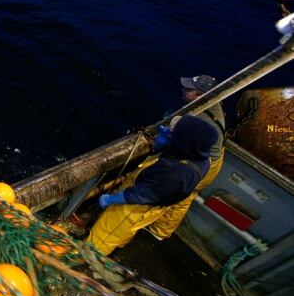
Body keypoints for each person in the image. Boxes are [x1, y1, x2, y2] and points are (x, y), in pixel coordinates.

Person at [87, 115, 218, 256]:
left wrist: (110, 199)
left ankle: (83, 260)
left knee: (105, 236)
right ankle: (115, 249)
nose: (171, 131)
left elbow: (138, 195)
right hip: (154, 200)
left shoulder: (175, 174)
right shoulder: (202, 159)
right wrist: (162, 143)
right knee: (123, 232)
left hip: (135, 206)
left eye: (176, 132)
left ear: (185, 140)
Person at [146, 75, 226, 239]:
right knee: (186, 196)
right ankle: (161, 231)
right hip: (214, 160)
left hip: (204, 163)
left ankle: (158, 230)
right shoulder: (213, 104)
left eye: (189, 90)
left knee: (173, 194)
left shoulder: (198, 118)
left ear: (201, 95)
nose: (183, 91)